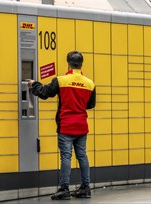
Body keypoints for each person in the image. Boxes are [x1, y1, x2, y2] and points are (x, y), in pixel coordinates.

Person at [27, 51, 96, 200]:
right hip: (82, 126)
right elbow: (90, 104)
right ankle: (85, 188)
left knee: (66, 156)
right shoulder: (90, 83)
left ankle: (64, 189)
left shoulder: (61, 80)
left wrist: (34, 85)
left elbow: (44, 93)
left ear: (68, 63)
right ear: (81, 64)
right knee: (82, 156)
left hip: (66, 126)